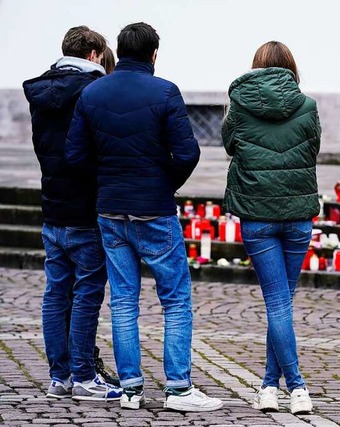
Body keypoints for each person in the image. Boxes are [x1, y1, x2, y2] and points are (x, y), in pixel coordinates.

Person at [65, 22, 222, 412]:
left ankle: (132, 389)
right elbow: (187, 153)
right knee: (175, 299)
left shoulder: (92, 91)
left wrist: (106, 183)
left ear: (118, 51)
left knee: (122, 301)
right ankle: (179, 389)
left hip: (111, 209)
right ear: (154, 54)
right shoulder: (165, 91)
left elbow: (74, 156)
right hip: (154, 209)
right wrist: (162, 185)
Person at [22, 26, 122, 402]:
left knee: (55, 294)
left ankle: (59, 376)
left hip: (52, 206)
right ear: (95, 54)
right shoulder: (93, 90)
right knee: (87, 295)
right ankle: (83, 375)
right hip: (85, 208)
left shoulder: (42, 89)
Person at [222, 41, 321, 415]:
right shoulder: (307, 106)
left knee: (278, 304)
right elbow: (312, 150)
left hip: (257, 215)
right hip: (297, 214)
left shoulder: (239, 104)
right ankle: (273, 386)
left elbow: (230, 146)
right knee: (283, 303)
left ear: (256, 67)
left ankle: (288, 387)